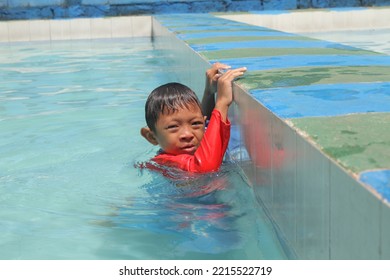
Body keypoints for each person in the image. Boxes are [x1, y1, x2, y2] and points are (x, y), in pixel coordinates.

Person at [140, 63, 246, 173]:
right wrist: (222, 102)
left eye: (195, 124)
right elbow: (205, 168)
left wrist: (209, 92)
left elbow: (208, 127)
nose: (188, 134)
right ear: (151, 137)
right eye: (173, 127)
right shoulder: (165, 162)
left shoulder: (191, 140)